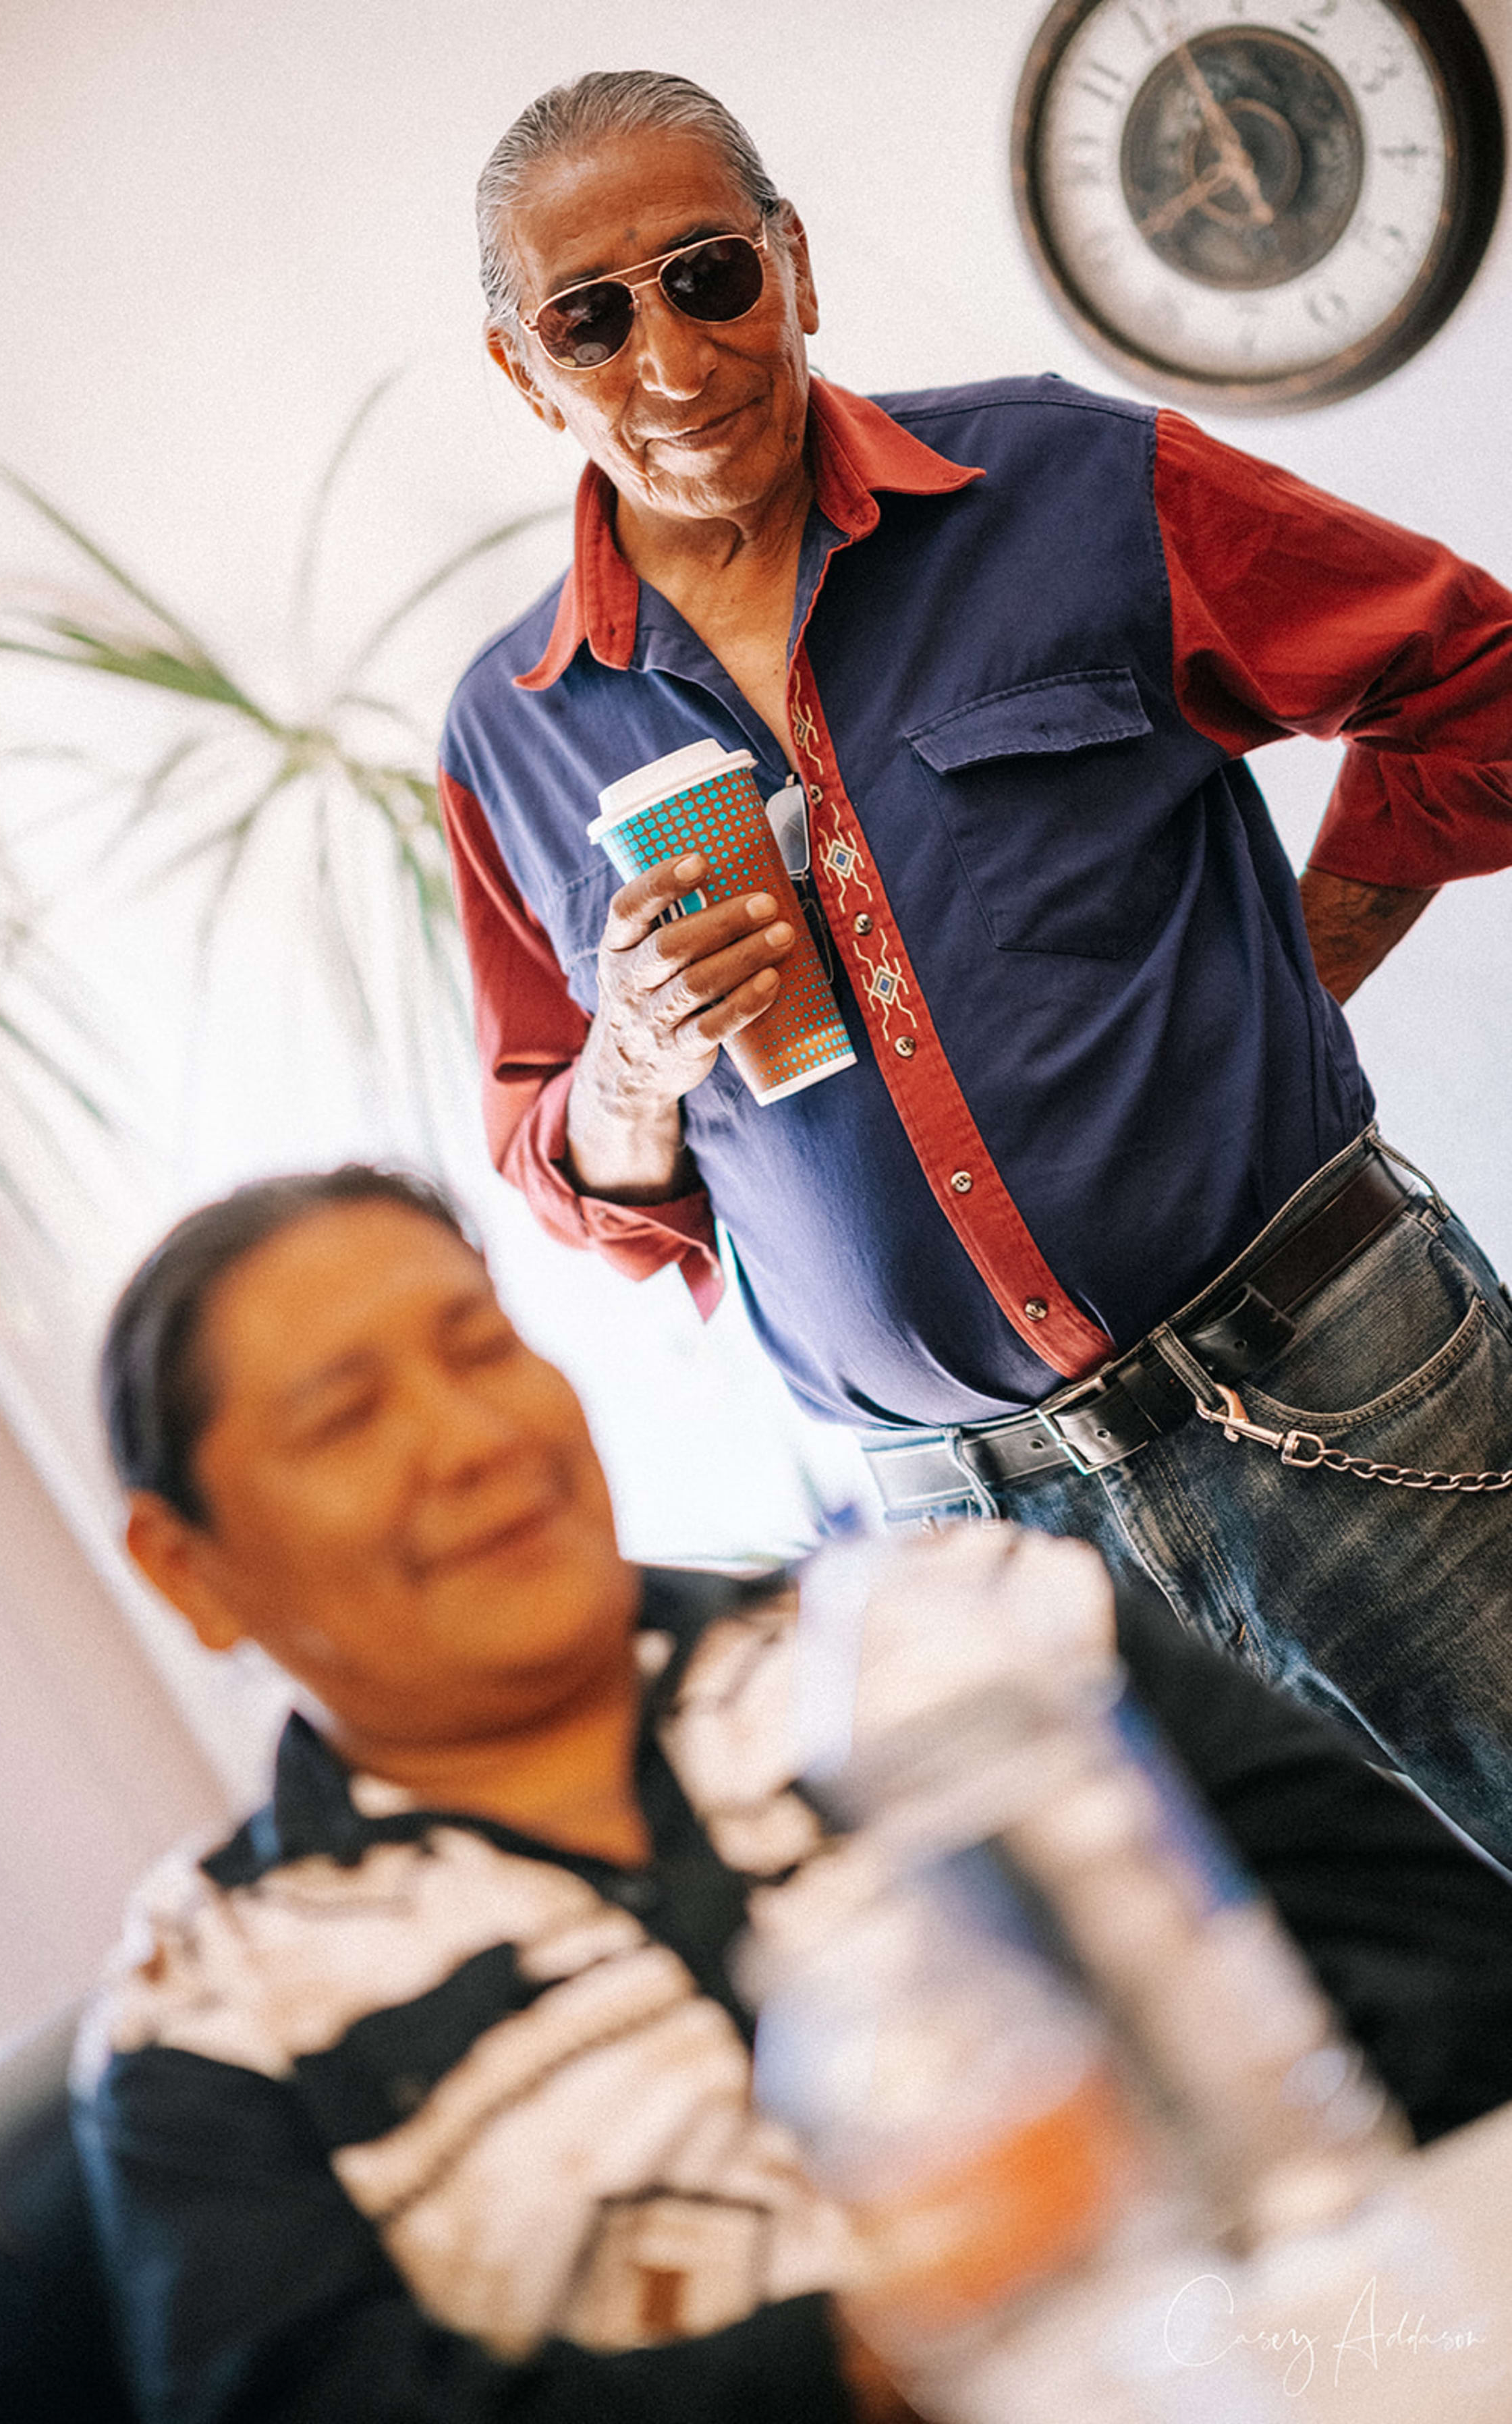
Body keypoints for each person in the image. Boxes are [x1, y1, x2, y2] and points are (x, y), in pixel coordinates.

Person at [437, 68, 1512, 1862]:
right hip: (970, 1553)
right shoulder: (512, 733)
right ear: (521, 366)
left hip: (1344, 1381)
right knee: (1269, 2042)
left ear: (794, 261)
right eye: (592, 320)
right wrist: (632, 1054)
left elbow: (1472, 676)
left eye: (710, 277)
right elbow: (577, 1181)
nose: (677, 367)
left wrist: (1305, 961)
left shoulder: (1075, 485)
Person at [76, 1165, 1512, 2424]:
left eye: (482, 1345)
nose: (471, 1439)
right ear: (186, 1566)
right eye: (345, 1417)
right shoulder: (209, 1999)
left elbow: (1459, 1966)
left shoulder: (968, 1625)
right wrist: (883, 2345)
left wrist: (1139, 2155)